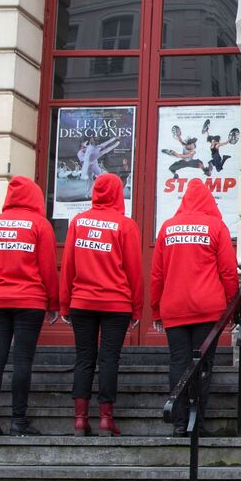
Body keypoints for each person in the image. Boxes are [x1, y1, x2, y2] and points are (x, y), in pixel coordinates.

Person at [152, 182, 239, 438]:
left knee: (178, 363)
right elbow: (228, 272)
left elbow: (157, 274)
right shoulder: (216, 227)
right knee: (201, 365)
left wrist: (156, 309)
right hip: (207, 309)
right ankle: (196, 422)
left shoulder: (168, 227)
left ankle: (179, 422)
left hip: (175, 307)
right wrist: (232, 307)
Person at [60, 173, 142, 437]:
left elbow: (68, 267)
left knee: (84, 359)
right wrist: (137, 308)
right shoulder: (125, 225)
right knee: (109, 360)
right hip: (116, 304)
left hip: (82, 302)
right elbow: (134, 271)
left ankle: (80, 420)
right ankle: (106, 419)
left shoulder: (78, 222)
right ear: (118, 193)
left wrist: (64, 305)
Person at [0, 176, 58, 437]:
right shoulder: (39, 224)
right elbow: (47, 268)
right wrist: (53, 302)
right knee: (22, 360)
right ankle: (17, 421)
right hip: (29, 300)